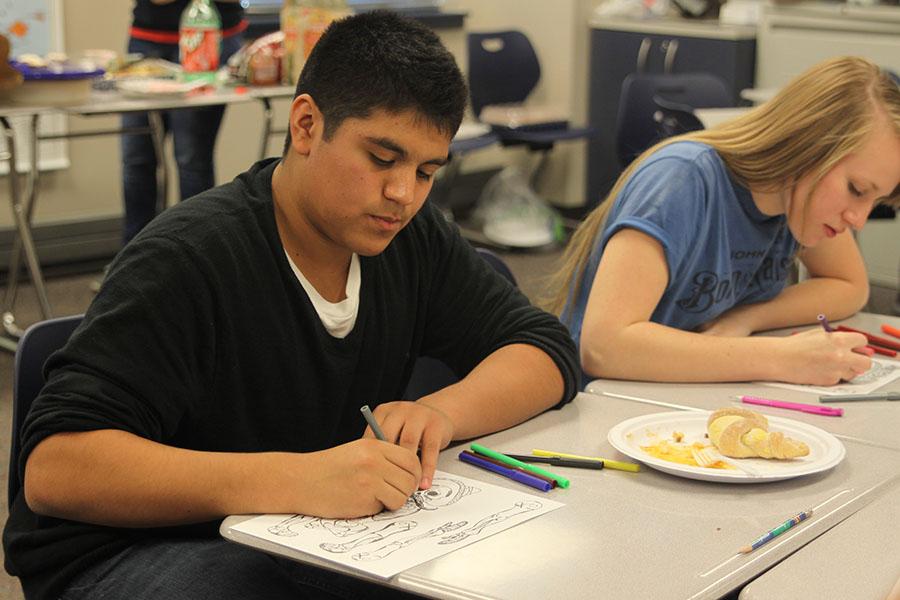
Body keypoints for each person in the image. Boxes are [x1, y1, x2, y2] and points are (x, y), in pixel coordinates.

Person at [3, 12, 578, 600]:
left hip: (290, 533)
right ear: (306, 125)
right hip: (124, 551)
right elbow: (56, 468)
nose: (403, 193)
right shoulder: (190, 257)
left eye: (426, 171)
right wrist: (297, 478)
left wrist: (445, 411)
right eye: (382, 159)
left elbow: (546, 351)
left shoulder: (409, 238)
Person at [544, 56, 900, 386]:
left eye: (875, 200)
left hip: (683, 394)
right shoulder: (682, 179)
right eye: (856, 189)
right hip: (603, 402)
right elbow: (605, 347)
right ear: (808, 145)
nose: (859, 219)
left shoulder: (802, 203)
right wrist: (781, 358)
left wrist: (748, 318)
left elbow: (849, 286)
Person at [121, 0, 247, 245]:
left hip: (210, 35)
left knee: (192, 160)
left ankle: (194, 262)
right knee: (136, 160)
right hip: (148, 41)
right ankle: (132, 262)